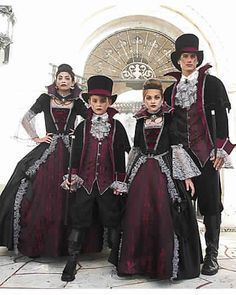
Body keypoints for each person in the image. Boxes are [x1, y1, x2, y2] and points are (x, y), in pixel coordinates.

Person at [164, 33, 235, 276]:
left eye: (193, 56)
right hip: (181, 156)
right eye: (185, 56)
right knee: (182, 205)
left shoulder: (212, 84)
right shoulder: (169, 91)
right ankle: (188, 255)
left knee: (211, 205)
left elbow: (222, 120)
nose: (189, 60)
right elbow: (167, 126)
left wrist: (221, 150)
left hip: (207, 155)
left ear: (197, 59)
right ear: (178, 60)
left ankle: (212, 255)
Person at [117, 78, 202, 280]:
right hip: (142, 172)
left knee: (164, 213)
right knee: (137, 214)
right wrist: (127, 178)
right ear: (144, 100)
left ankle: (162, 264)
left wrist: (187, 176)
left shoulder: (170, 118)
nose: (153, 101)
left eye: (156, 97)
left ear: (162, 98)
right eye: (149, 98)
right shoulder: (139, 120)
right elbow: (136, 149)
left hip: (165, 172)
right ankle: (136, 263)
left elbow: (177, 147)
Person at [0, 64, 87, 257]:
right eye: (60, 77)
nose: (63, 80)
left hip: (70, 151)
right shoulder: (45, 98)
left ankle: (68, 243)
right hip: (49, 148)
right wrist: (36, 138)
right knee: (41, 188)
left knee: (70, 192)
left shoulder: (78, 102)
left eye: (67, 78)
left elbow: (89, 121)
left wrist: (78, 135)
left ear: (73, 82)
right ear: (55, 81)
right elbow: (26, 119)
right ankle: (37, 240)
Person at [60, 75, 131, 282]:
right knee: (79, 219)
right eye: (95, 101)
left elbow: (121, 155)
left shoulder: (117, 127)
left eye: (103, 101)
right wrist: (72, 176)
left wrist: (120, 180)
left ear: (109, 103)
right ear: (89, 102)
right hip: (85, 181)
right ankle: (72, 260)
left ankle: (116, 257)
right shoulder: (82, 127)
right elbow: (76, 154)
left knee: (113, 219)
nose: (99, 104)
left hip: (108, 184)